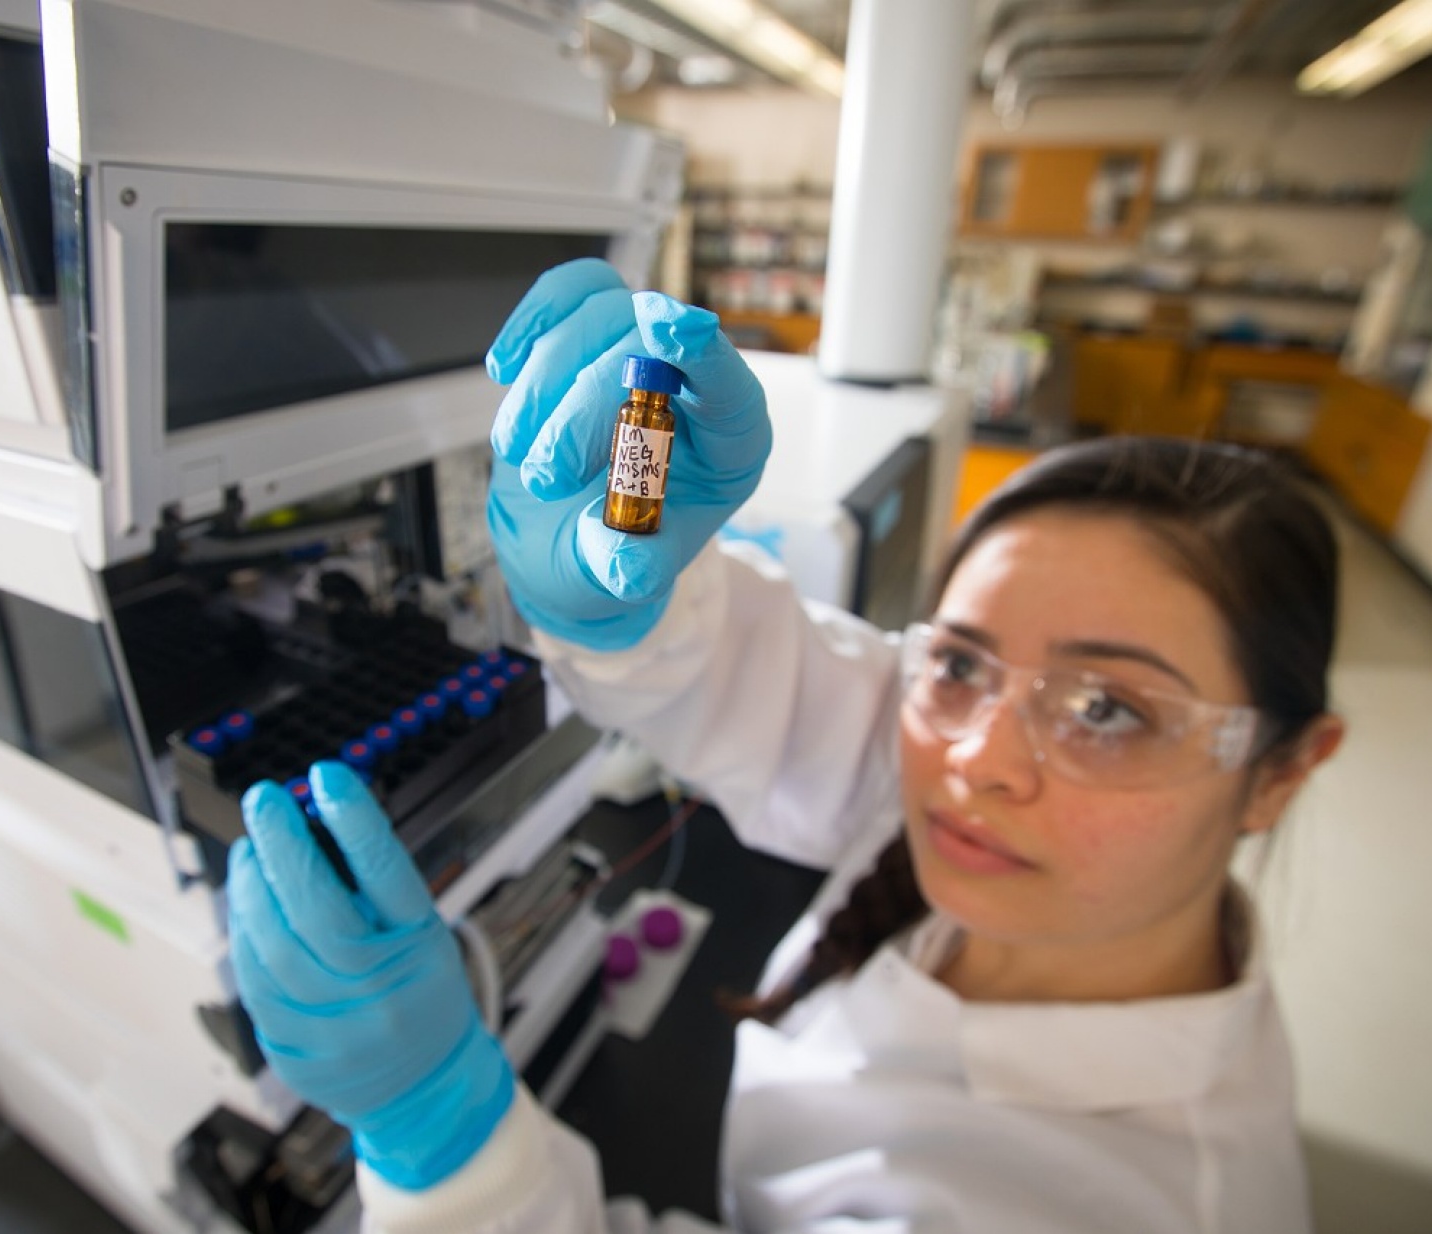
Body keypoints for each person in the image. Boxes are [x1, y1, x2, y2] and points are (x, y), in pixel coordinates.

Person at [225, 259, 1348, 1233]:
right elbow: (772, 681)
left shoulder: (1107, 1200)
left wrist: (449, 1151)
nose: (976, 759)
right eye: (957, 660)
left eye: (1107, 708)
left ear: (1284, 771)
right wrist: (612, 601)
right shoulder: (1013, 834)